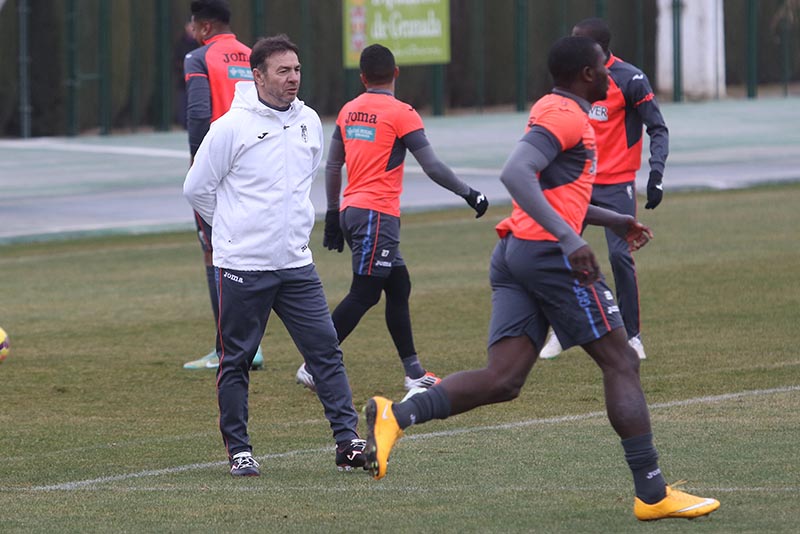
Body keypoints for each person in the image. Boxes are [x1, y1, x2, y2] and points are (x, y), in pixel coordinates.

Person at [363, 36, 719, 521]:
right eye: (604, 68)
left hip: (516, 253)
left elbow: (555, 190)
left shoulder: (555, 107)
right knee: (621, 362)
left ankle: (397, 415)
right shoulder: (567, 116)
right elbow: (516, 174)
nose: (612, 76)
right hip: (548, 256)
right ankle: (653, 494)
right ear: (588, 76)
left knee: (504, 378)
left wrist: (614, 220)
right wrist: (569, 241)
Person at [183, 34, 366, 476]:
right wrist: (232, 230)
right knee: (237, 360)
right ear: (257, 75)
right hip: (244, 265)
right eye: (283, 71)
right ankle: (240, 451)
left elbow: (302, 181)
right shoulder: (230, 127)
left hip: (296, 263)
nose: (292, 78)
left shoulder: (307, 122)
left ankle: (348, 443)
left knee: (325, 351)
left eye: (297, 70)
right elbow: (196, 189)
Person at [294, 43, 489, 393]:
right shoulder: (402, 113)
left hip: (355, 211)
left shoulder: (349, 110)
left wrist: (334, 214)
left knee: (399, 286)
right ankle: (313, 364)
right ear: (396, 73)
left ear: (363, 76)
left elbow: (334, 164)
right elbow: (431, 166)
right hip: (376, 215)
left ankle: (413, 372)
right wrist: (469, 193)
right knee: (365, 293)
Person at [539, 18, 670, 361]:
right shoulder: (571, 79)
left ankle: (632, 336)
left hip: (616, 183)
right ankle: (560, 329)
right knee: (557, 254)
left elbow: (658, 128)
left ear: (598, 50)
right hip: (576, 182)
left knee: (618, 256)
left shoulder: (630, 79)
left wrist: (656, 174)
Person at [182, 0, 263, 370]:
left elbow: (199, 114)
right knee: (250, 252)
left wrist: (199, 164)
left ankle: (228, 349)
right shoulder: (254, 55)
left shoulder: (199, 58)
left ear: (204, 27)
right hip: (257, 164)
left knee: (216, 254)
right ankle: (252, 345)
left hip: (219, 166)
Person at [173, 19, 196, 129]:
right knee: (183, 105)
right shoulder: (180, 43)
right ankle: (184, 125)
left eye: (193, 26)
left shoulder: (200, 44)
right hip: (183, 82)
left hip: (196, 82)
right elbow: (175, 61)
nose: (191, 29)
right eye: (189, 26)